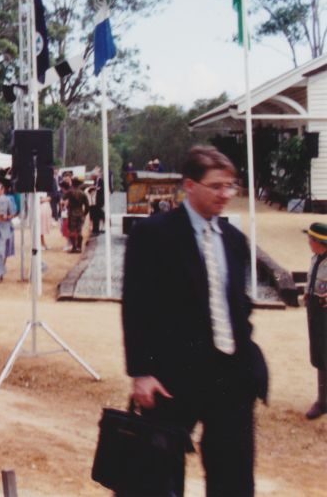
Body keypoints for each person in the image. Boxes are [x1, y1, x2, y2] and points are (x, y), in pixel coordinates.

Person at [122, 145, 268, 497]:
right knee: (156, 480)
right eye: (216, 186)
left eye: (230, 186)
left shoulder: (234, 240)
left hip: (230, 379)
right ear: (189, 185)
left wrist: (247, 360)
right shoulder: (154, 235)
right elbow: (136, 307)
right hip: (173, 379)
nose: (226, 194)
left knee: (233, 479)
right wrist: (141, 371)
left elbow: (238, 305)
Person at [303, 222, 327, 420]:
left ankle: (323, 401)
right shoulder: (316, 258)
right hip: (315, 312)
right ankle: (323, 399)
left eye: (310, 239)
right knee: (319, 355)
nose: (308, 242)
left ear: (319, 242)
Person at [64, 178, 89, 253]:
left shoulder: (70, 192)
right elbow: (87, 206)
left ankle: (74, 247)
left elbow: (63, 198)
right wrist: (84, 214)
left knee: (71, 230)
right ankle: (79, 247)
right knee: (79, 231)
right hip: (80, 213)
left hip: (72, 213)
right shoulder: (83, 193)